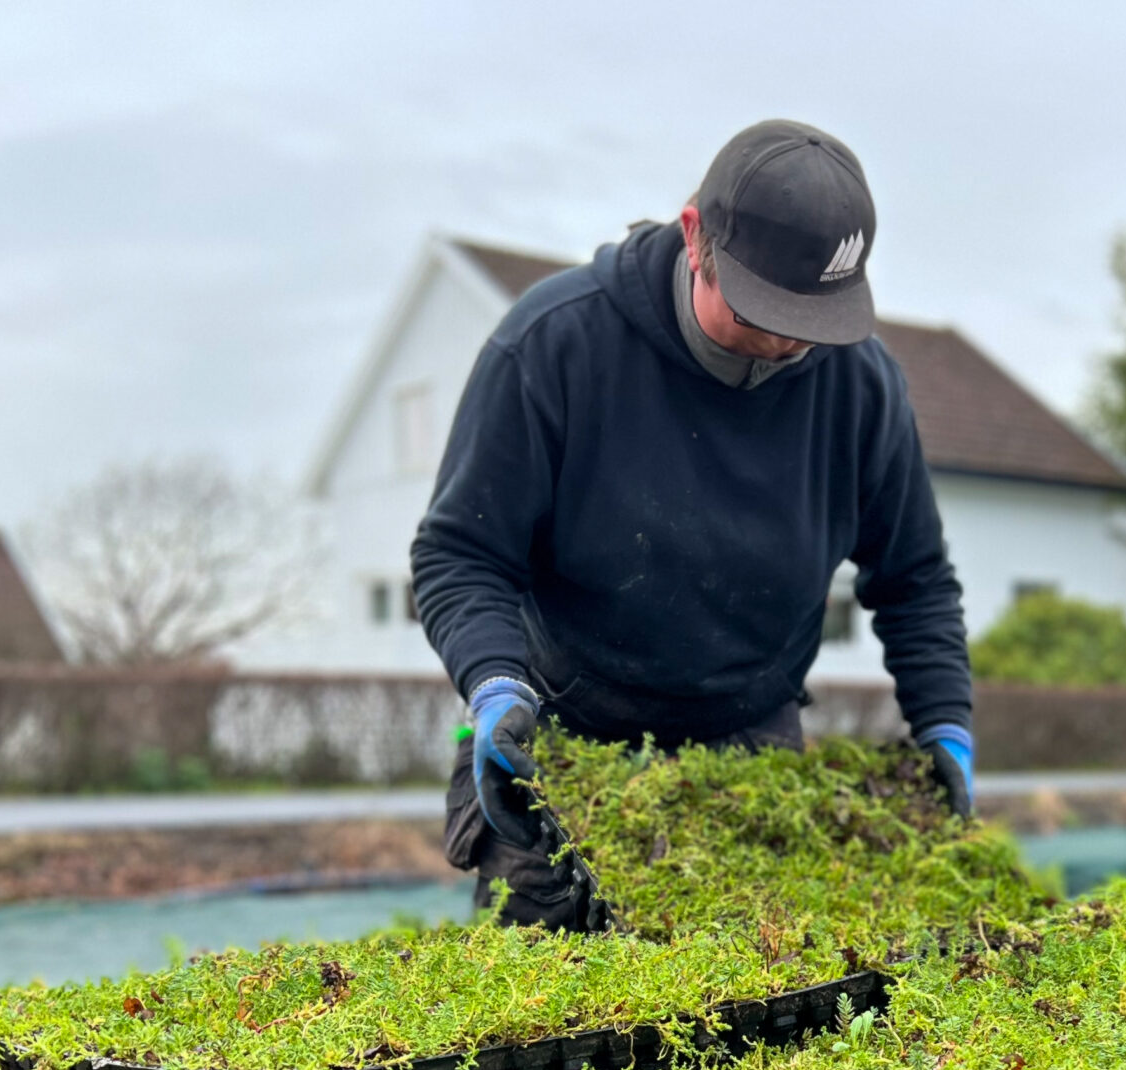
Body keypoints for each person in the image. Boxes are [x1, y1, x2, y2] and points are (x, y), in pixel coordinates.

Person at [410, 119, 975, 927]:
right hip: (564, 740)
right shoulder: (554, 347)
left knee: (758, 1011)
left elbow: (915, 580)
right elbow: (460, 553)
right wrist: (495, 685)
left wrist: (946, 724)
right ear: (693, 238)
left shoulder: (863, 388)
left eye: (808, 322)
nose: (784, 342)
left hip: (748, 748)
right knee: (549, 1019)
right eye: (761, 312)